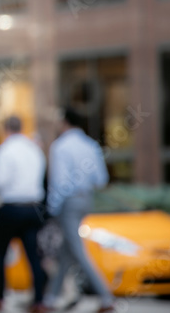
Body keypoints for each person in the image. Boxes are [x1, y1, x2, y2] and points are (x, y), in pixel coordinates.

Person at [43, 107, 115, 313]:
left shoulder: (61, 146)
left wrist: (53, 207)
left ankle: (106, 298)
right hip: (86, 200)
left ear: (65, 122)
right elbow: (101, 179)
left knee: (77, 250)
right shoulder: (90, 144)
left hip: (68, 203)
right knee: (66, 252)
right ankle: (49, 300)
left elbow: (60, 181)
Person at [0, 116, 49, 312]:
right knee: (34, 257)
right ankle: (39, 300)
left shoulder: (5, 150)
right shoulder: (34, 149)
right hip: (33, 208)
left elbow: (0, 181)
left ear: (6, 129)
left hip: (10, 208)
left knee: (0, 254)